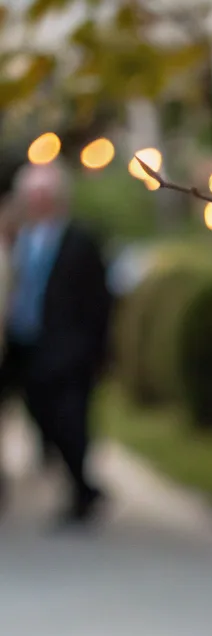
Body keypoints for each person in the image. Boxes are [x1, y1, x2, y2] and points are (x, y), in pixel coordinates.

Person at [0, 160, 111, 525]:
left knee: (70, 421)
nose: (37, 201)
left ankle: (82, 491)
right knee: (41, 416)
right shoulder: (21, 239)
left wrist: (95, 351)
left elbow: (98, 301)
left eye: (43, 194)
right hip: (26, 345)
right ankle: (82, 485)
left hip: (68, 349)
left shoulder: (81, 240)